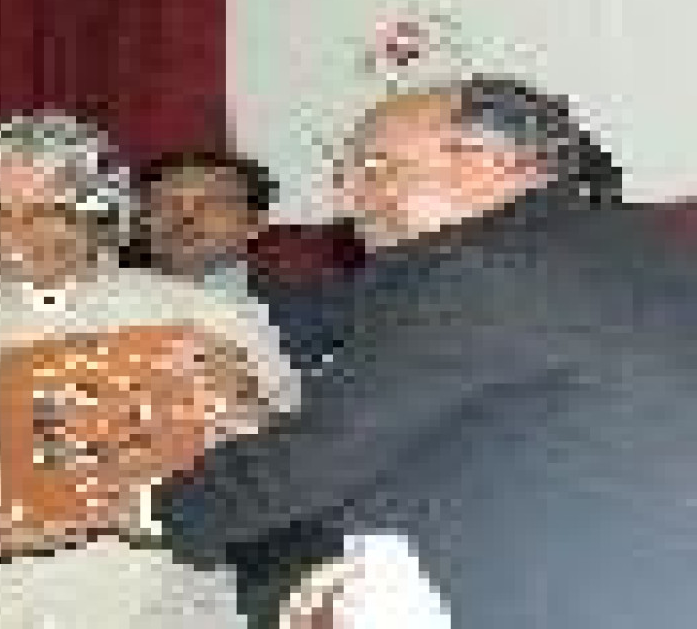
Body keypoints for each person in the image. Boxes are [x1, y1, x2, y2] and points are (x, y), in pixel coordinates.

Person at [0, 112, 440, 629]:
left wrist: (249, 407)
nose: (13, 231)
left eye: (47, 209)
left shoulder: (204, 314)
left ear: (100, 214)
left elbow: (292, 464)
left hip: (160, 607)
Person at [152, 75, 697, 629]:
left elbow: (324, 453)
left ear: (487, 161)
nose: (348, 199)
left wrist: (148, 508)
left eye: (375, 167)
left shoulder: (477, 268)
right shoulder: (622, 245)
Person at [139, 151, 360, 369]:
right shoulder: (123, 302)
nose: (184, 217)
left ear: (255, 223)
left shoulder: (316, 317)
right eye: (164, 204)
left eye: (210, 202)